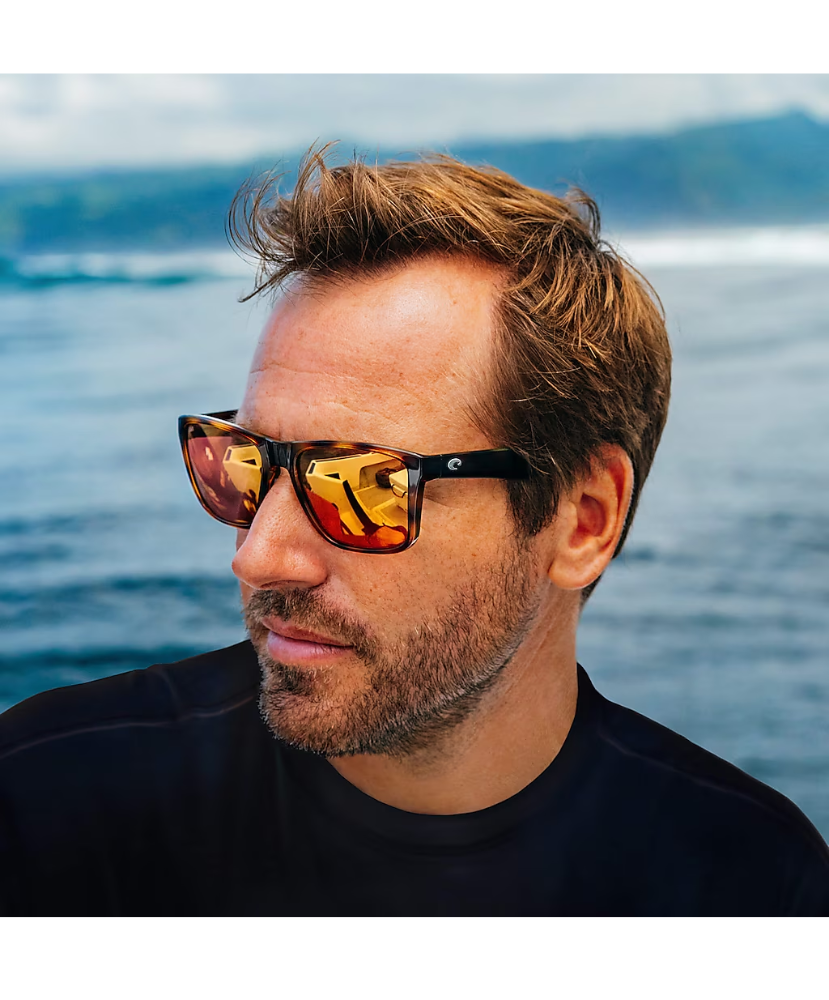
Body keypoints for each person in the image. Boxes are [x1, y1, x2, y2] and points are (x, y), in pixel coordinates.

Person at [1, 148, 827, 918]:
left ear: (583, 521)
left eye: (363, 484)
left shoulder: (752, 880)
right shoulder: (44, 800)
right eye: (247, 465)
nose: (256, 556)